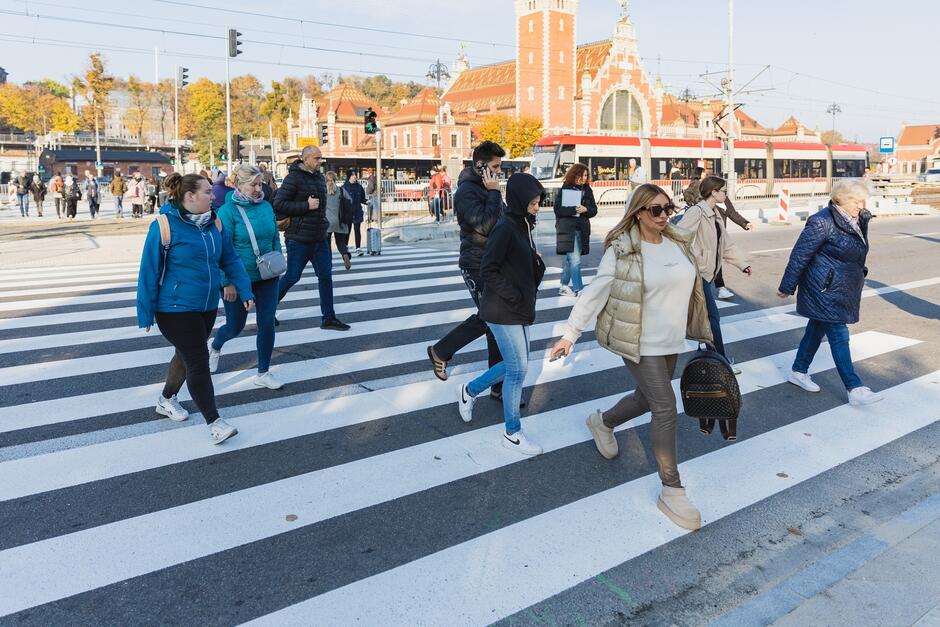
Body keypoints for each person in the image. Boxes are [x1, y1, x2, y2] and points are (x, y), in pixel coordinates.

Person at [549, 183, 713, 530]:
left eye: (668, 208)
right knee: (665, 406)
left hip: (671, 341)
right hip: (638, 342)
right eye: (656, 210)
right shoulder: (622, 251)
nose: (665, 215)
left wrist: (708, 334)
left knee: (646, 399)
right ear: (638, 212)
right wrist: (570, 334)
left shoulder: (678, 242)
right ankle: (672, 489)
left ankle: (603, 422)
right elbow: (595, 294)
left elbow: (698, 292)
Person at [136, 172, 254, 445]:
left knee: (186, 354)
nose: (214, 196)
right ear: (190, 196)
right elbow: (148, 271)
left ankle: (165, 399)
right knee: (198, 360)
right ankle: (215, 422)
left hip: (206, 305)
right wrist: (145, 312)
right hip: (173, 308)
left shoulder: (214, 224)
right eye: (208, 192)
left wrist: (244, 289)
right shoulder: (164, 226)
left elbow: (230, 259)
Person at [456, 173, 546, 456]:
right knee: (518, 369)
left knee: (515, 364)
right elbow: (488, 269)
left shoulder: (523, 224)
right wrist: (514, 294)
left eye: (538, 202)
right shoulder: (505, 226)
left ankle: (469, 390)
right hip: (501, 308)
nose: (537, 207)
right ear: (519, 199)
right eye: (533, 202)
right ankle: (512, 431)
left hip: (519, 307)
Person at [777, 179, 883, 407]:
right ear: (841, 200)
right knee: (838, 334)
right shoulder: (821, 222)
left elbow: (857, 251)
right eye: (856, 201)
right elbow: (800, 255)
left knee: (816, 329)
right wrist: (787, 286)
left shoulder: (857, 218)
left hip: (841, 287)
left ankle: (798, 371)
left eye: (863, 200)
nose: (862, 205)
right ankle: (854, 387)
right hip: (823, 289)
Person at [427, 141, 506, 402]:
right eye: (495, 167)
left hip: (494, 261)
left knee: (496, 323)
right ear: (481, 166)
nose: (499, 172)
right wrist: (494, 193)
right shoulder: (466, 192)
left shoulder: (488, 187)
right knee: (491, 317)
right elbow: (486, 225)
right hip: (476, 262)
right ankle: (441, 350)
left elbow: (502, 221)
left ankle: (497, 383)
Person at [208, 164, 284, 390]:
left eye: (260, 184)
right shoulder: (227, 211)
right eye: (253, 185)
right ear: (239, 185)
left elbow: (274, 237)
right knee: (235, 326)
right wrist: (227, 282)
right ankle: (216, 345)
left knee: (267, 322)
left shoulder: (266, 207)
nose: (258, 189)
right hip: (239, 279)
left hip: (267, 276)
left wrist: (277, 258)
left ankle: (263, 371)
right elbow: (221, 249)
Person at [677, 176, 751, 372]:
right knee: (712, 318)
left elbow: (726, 244)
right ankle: (721, 361)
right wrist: (696, 258)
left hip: (708, 274)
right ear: (714, 192)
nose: (726, 195)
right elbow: (679, 237)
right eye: (724, 191)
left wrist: (742, 264)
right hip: (698, 273)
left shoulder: (715, 213)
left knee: (707, 319)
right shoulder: (697, 212)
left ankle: (710, 358)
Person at [273, 145, 350, 331]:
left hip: (319, 237)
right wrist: (305, 206)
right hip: (298, 238)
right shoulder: (293, 178)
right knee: (292, 276)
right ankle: (266, 309)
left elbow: (322, 207)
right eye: (316, 158)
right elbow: (278, 204)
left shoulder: (318, 177)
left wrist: (323, 224)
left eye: (321, 158)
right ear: (305, 158)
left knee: (326, 276)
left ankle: (329, 318)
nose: (320, 161)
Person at [554, 163, 598, 297]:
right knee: (575, 260)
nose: (584, 178)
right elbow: (558, 210)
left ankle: (563, 285)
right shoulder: (566, 188)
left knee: (570, 260)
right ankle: (579, 289)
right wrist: (573, 209)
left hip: (582, 228)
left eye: (586, 175)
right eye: (581, 175)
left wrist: (585, 210)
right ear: (575, 175)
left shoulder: (587, 189)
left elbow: (594, 210)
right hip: (568, 229)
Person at [324, 171, 352, 270]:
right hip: (340, 221)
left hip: (327, 223)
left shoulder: (323, 192)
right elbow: (350, 200)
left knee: (326, 245)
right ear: (335, 180)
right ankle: (345, 254)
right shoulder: (341, 190)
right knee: (340, 242)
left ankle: (328, 264)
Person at [343, 170, 367, 255]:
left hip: (357, 211)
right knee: (347, 230)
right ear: (349, 176)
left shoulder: (359, 187)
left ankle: (358, 248)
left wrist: (368, 202)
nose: (355, 176)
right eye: (353, 175)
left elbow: (363, 199)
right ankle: (345, 248)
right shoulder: (344, 187)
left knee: (357, 230)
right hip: (348, 212)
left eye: (355, 175)